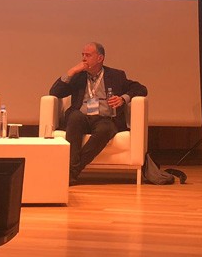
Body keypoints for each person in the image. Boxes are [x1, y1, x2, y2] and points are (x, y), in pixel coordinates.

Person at [49, 42, 147, 183]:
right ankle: (72, 172)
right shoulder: (78, 76)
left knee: (105, 129)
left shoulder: (116, 75)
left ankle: (72, 172)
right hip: (82, 117)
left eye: (88, 55)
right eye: (82, 55)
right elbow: (55, 92)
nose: (83, 58)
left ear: (100, 58)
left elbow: (141, 88)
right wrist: (71, 72)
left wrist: (123, 99)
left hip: (105, 118)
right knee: (74, 117)